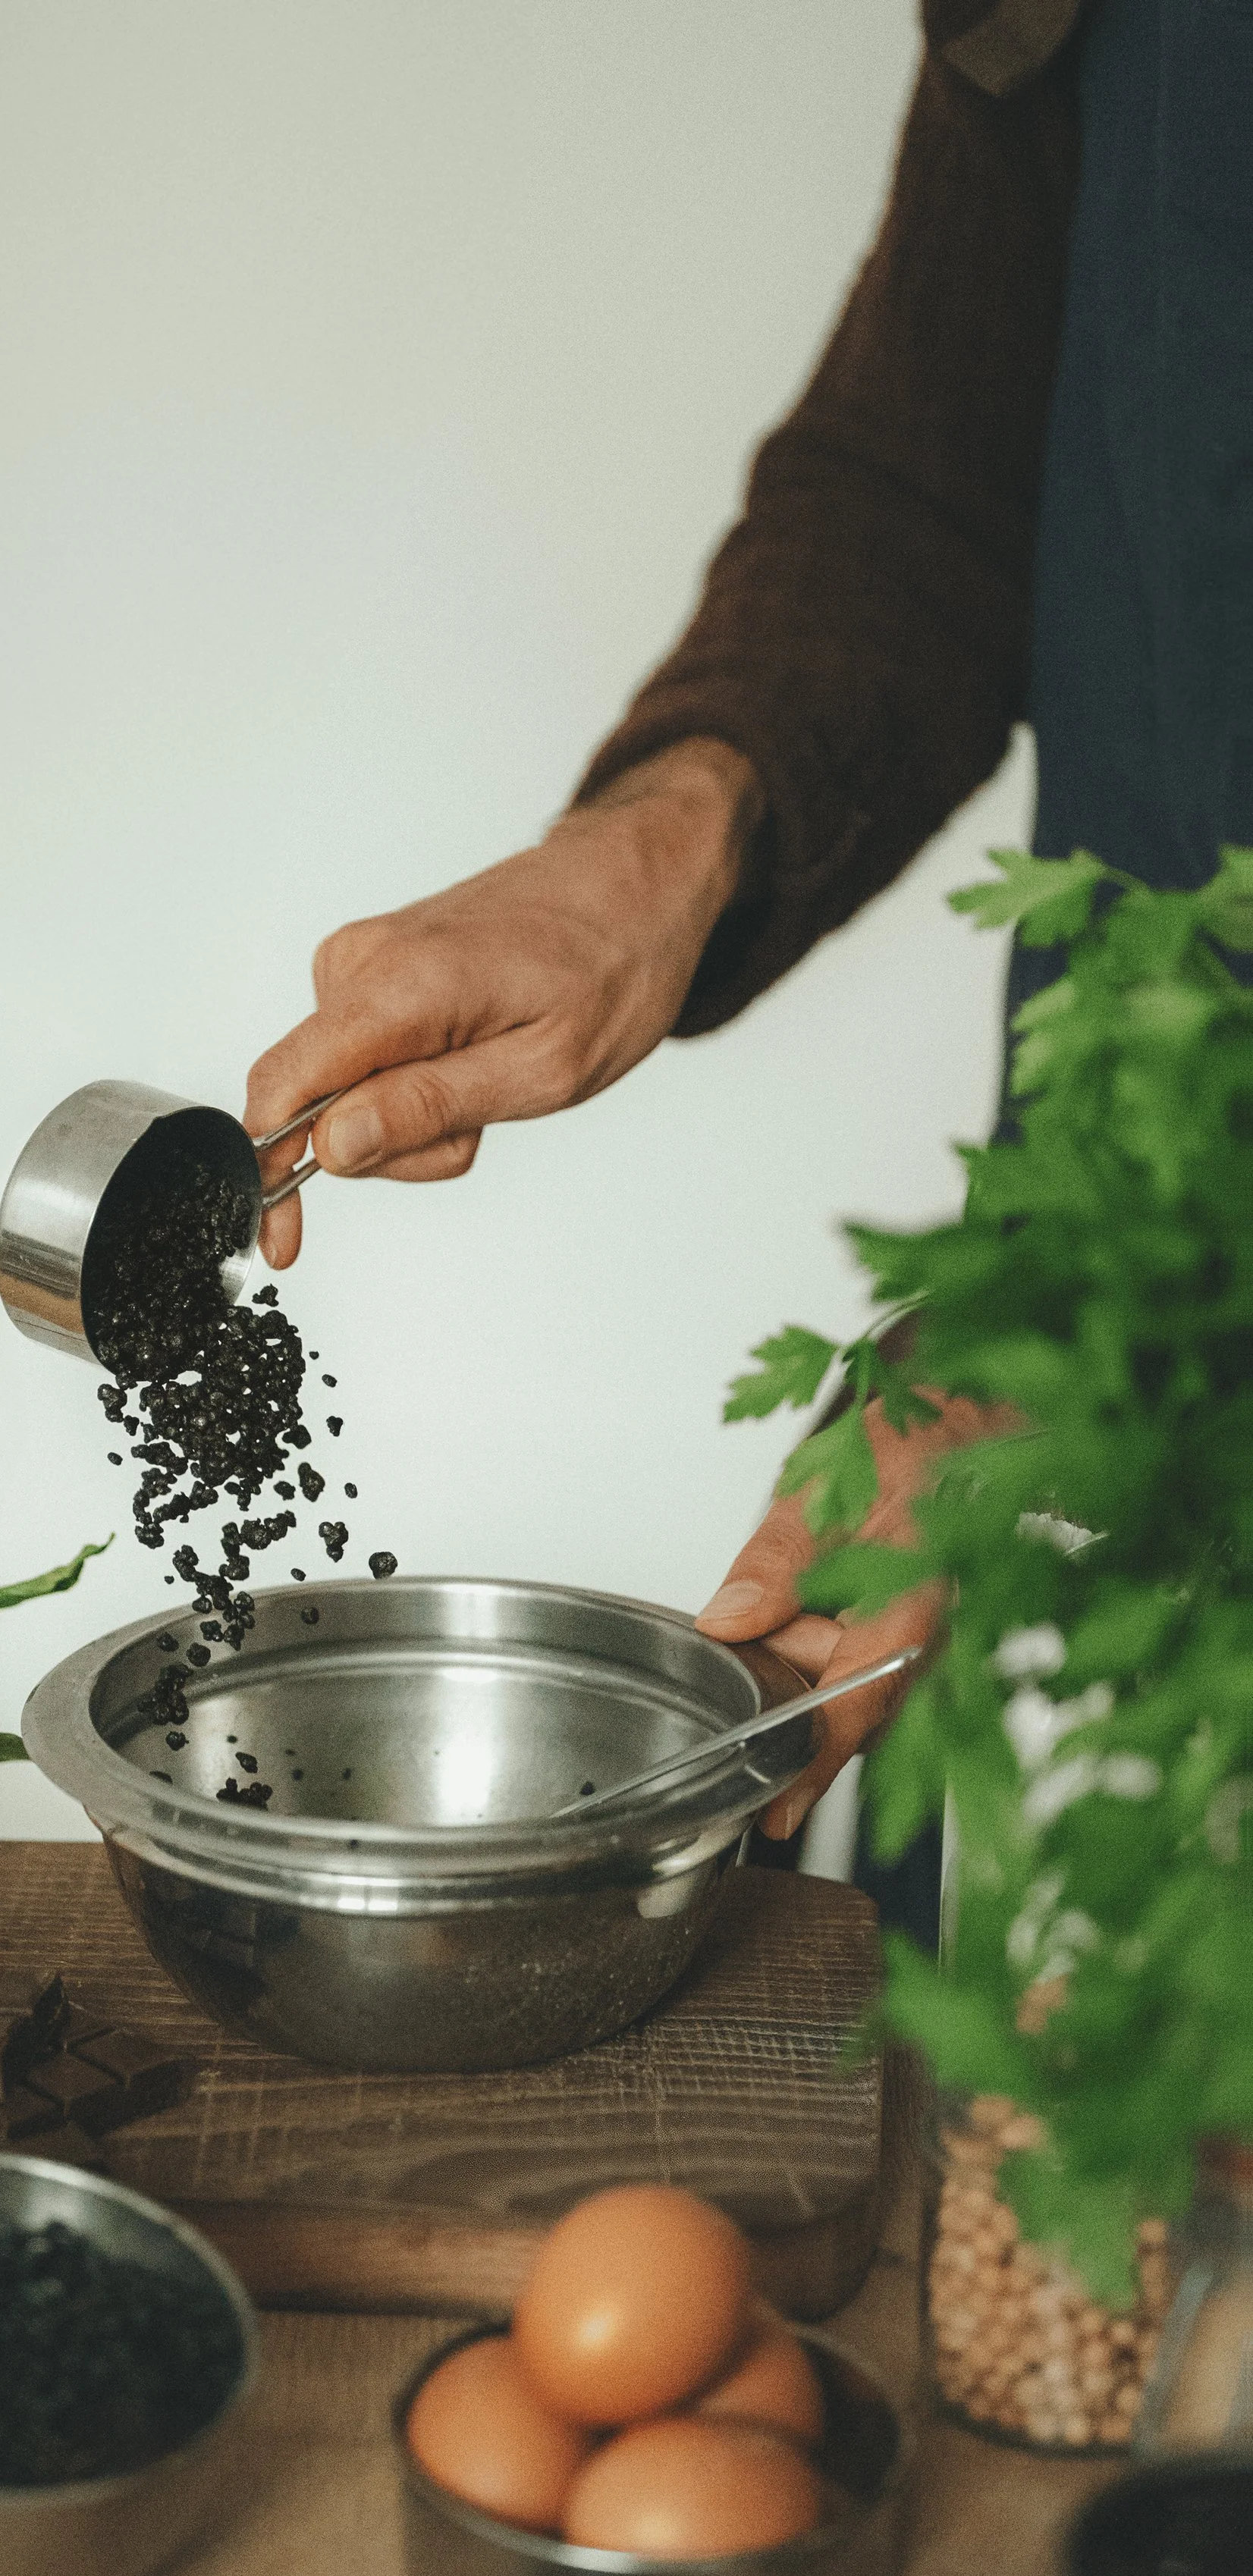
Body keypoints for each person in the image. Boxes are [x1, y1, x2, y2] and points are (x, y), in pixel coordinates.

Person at [243, 0, 1253, 1904]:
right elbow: (935, 477)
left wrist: (1147, 1306)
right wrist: (664, 834)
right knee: (1027, 2119)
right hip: (1099, 1268)